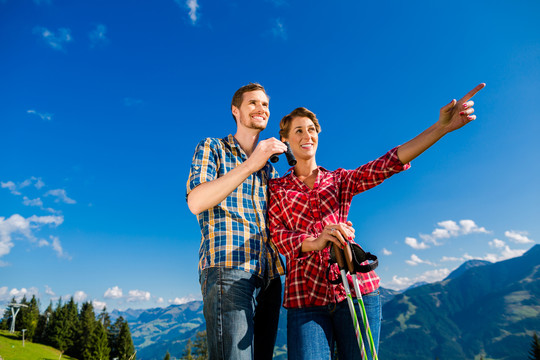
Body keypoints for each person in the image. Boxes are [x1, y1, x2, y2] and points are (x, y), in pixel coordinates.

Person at [268, 83, 486, 360]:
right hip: (305, 299)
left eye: (311, 129)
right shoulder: (277, 188)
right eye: (298, 130)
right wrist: (315, 240)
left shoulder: (339, 180)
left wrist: (441, 128)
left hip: (356, 292)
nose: (307, 135)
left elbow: (387, 164)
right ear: (285, 140)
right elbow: (277, 235)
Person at [186, 83, 289, 360]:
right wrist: (250, 164)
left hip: (269, 277)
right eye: (253, 103)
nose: (261, 109)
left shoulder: (272, 171)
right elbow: (196, 201)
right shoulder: (213, 147)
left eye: (265, 104)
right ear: (236, 110)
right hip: (228, 270)